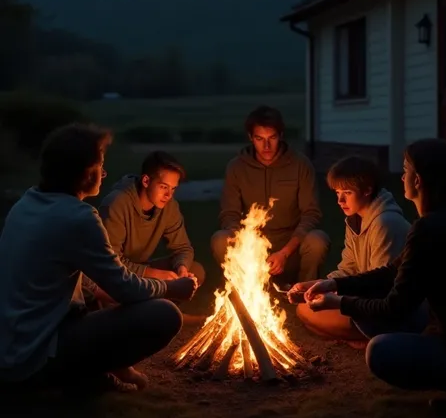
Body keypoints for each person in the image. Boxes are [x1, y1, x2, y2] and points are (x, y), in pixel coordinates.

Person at [0, 124, 197, 393]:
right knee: (164, 314)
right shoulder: (79, 217)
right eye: (100, 165)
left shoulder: (25, 204)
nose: (104, 174)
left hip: (13, 345)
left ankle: (98, 368)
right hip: (39, 352)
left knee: (94, 294)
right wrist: (171, 287)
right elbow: (124, 287)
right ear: (83, 172)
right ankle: (80, 375)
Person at [289, 138, 446, 409]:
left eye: (405, 169)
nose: (401, 177)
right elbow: (389, 271)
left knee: (381, 351)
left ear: (419, 180)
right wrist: (332, 283)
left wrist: (337, 302)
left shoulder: (427, 229)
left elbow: (394, 307)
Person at [296, 155, 413, 347]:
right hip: (365, 300)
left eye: (347, 193)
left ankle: (372, 338)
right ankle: (358, 339)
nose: (340, 200)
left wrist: (336, 300)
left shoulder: (386, 224)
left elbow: (381, 286)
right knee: (305, 306)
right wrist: (317, 284)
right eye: (337, 193)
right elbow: (348, 269)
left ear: (367, 190)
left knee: (308, 311)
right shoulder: (354, 220)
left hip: (389, 313)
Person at [211, 105, 329, 285]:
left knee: (317, 240)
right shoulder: (236, 167)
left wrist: (284, 252)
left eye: (271, 138)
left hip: (290, 245)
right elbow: (229, 214)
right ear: (251, 138)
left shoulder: (300, 165)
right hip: (251, 243)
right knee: (220, 239)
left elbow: (310, 214)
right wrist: (246, 246)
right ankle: (242, 289)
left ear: (281, 136)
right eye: (259, 139)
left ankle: (304, 293)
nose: (266, 145)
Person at [98, 150, 205, 287]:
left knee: (195, 270)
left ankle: (161, 305)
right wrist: (156, 274)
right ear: (146, 181)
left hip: (140, 270)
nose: (168, 195)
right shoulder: (117, 203)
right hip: (113, 274)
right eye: (163, 187)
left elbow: (183, 248)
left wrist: (181, 268)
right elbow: (111, 261)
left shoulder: (169, 206)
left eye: (173, 189)